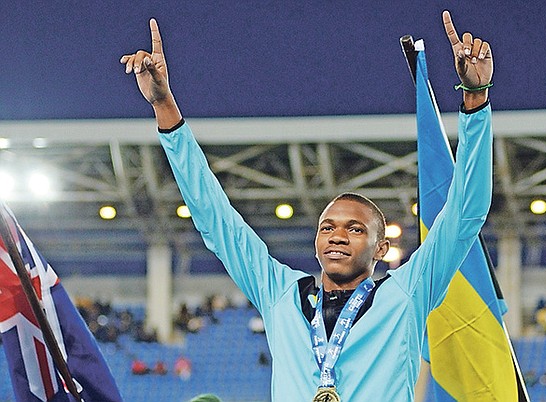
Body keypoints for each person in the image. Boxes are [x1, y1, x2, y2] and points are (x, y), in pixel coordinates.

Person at [121, 9, 493, 401]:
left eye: (355, 229)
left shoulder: (406, 293)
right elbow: (216, 220)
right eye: (327, 227)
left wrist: (475, 100)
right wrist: (164, 106)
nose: (337, 236)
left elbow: (466, 213)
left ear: (381, 249)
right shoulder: (281, 293)